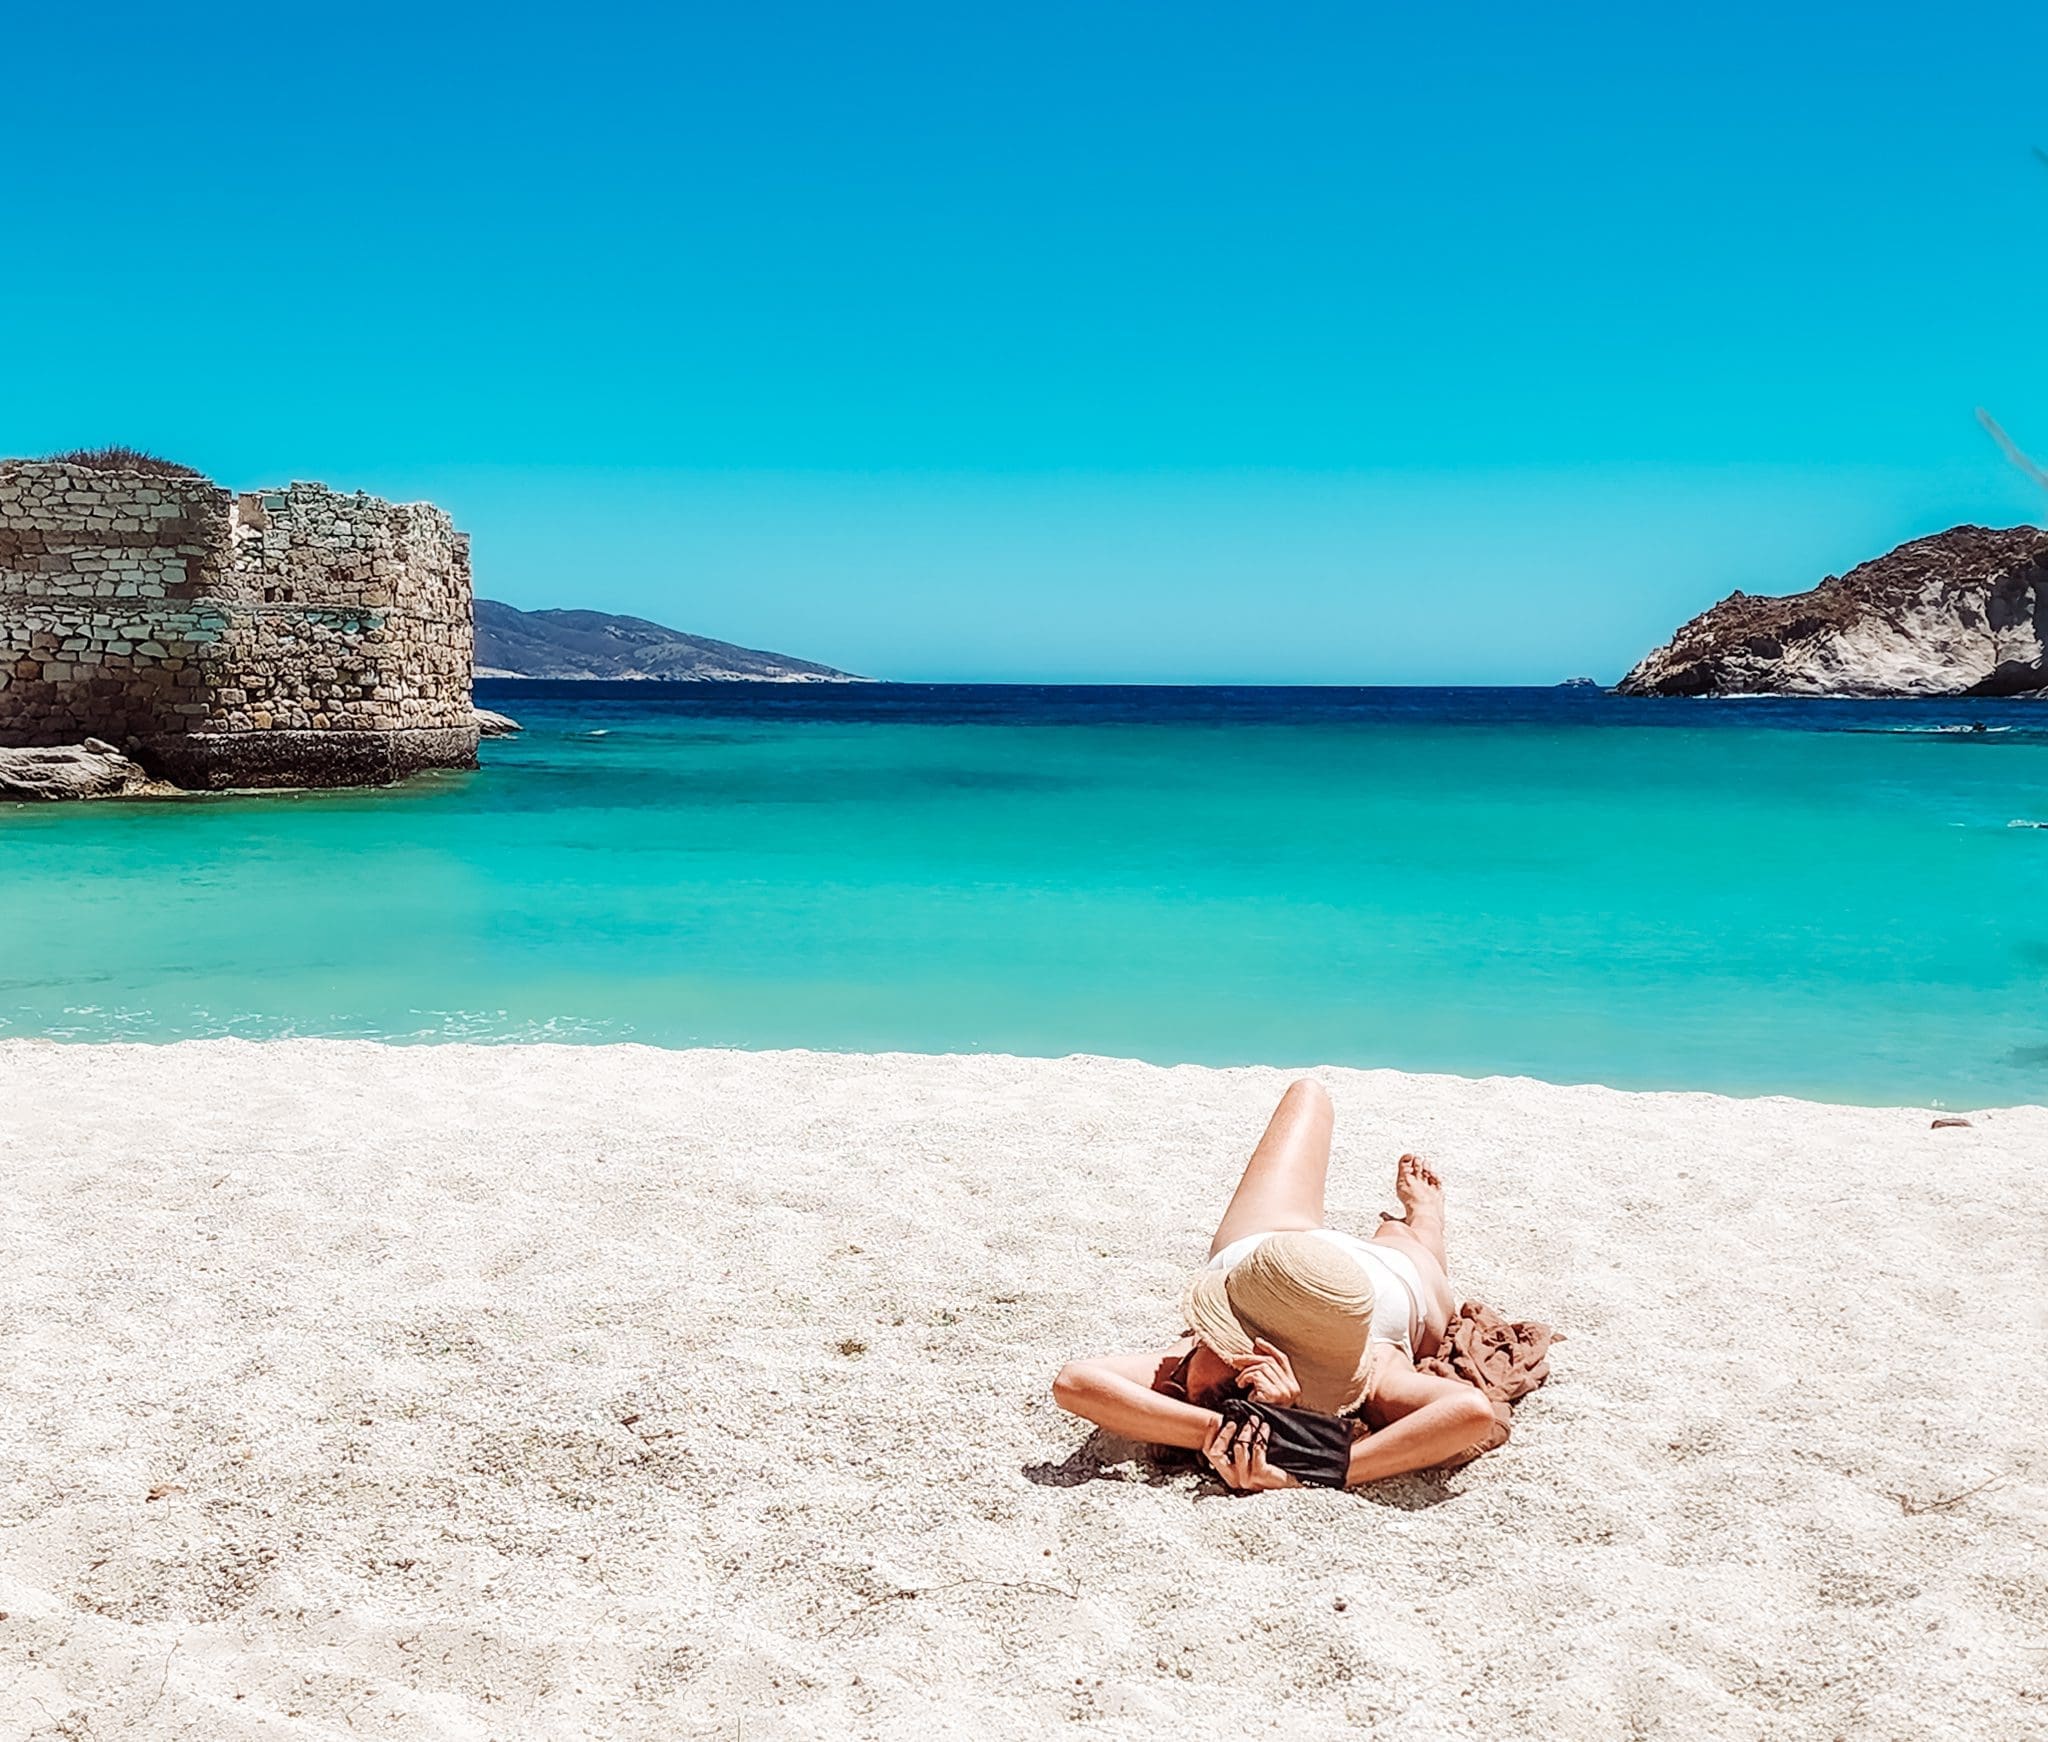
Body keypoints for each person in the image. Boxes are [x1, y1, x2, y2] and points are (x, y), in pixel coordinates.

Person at [1050, 1078, 1499, 1491]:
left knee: (1308, 1096)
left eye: (1219, 1342)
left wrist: (1227, 1433)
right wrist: (1286, 1443)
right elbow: (1470, 1411)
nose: (1198, 1351)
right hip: (1371, 1276)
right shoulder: (1374, 1373)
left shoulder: (1360, 1369)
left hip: (1270, 1249)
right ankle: (1425, 1218)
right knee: (1406, 1235)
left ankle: (1419, 1221)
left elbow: (1076, 1382)